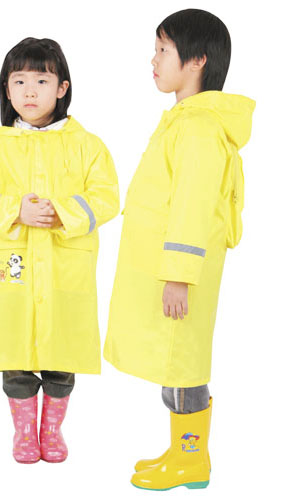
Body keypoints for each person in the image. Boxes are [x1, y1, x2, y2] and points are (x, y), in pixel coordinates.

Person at [103, 9, 255, 490]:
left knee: (183, 365)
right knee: (175, 364)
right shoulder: (186, 122)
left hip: (179, 276)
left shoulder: (199, 129)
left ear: (197, 60)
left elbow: (191, 207)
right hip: (169, 271)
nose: (153, 60)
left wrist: (179, 276)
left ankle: (191, 460)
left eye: (163, 50)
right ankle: (183, 452)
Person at [0, 37, 119, 464]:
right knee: (15, 350)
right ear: (6, 89)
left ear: (62, 88)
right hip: (14, 265)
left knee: (63, 350)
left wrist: (63, 213)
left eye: (42, 80)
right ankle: (24, 431)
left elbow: (106, 196)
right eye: (19, 81)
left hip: (66, 266)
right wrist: (15, 210)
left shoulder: (87, 145)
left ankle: (52, 430)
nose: (30, 91)